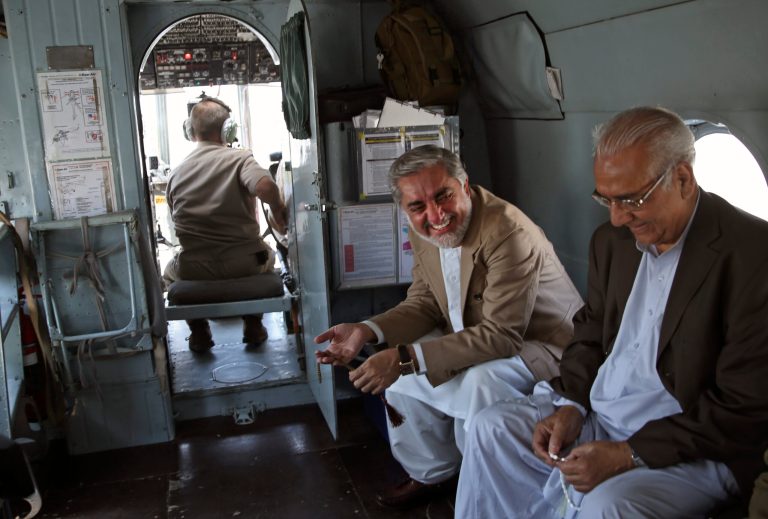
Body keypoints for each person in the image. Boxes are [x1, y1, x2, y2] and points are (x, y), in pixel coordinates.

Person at [455, 106, 768, 518]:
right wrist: (570, 405)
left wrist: (628, 454)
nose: (618, 218)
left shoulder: (752, 256)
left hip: (695, 447)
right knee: (489, 427)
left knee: (610, 506)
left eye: (631, 199)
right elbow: (589, 334)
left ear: (683, 179)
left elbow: (742, 407)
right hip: (602, 416)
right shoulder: (612, 242)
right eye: (606, 199)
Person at [314, 145, 583, 508]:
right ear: (405, 209)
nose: (436, 215)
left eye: (444, 196)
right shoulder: (423, 232)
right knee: (399, 374)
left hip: (544, 346)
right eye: (418, 206)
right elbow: (424, 303)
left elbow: (502, 335)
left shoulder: (507, 231)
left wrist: (405, 357)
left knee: (480, 380)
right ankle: (433, 473)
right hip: (474, 335)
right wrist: (366, 330)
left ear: (465, 187)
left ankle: (487, 484)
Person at [164, 97, 288, 352]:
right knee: (270, 256)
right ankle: (253, 325)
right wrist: (277, 209)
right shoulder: (240, 159)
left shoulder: (175, 173)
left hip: (194, 267)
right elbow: (265, 186)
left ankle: (199, 332)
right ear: (227, 130)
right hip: (244, 264)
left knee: (169, 271)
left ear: (191, 131)